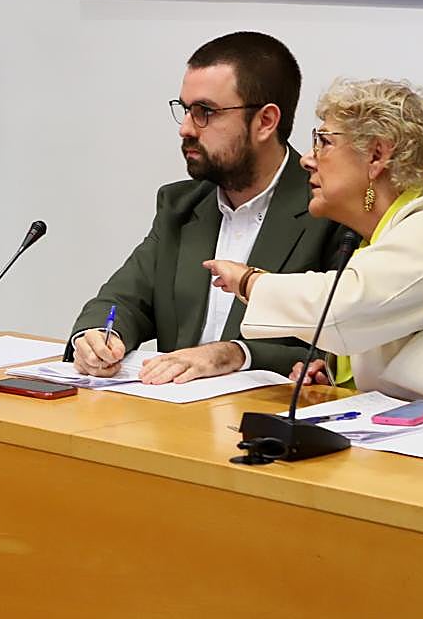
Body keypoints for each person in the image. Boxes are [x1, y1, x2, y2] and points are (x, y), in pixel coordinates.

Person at [205, 78, 423, 420]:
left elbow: (345, 307)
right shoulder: (374, 242)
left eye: (324, 142)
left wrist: (249, 281)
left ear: (376, 155)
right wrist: (334, 377)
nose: (307, 159)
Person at [68, 32, 342, 384]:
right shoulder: (181, 207)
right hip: (171, 416)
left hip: (265, 425)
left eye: (205, 113)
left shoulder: (328, 211)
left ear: (266, 121)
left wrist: (236, 354)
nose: (185, 129)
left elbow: (343, 352)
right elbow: (122, 300)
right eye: (185, 110)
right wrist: (97, 338)